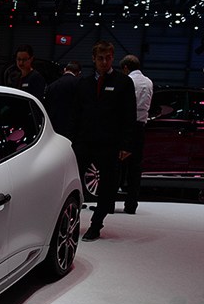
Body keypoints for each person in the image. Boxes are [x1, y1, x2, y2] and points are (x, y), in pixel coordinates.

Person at [71, 40, 136, 241]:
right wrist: (72, 141)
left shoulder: (124, 83)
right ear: (93, 59)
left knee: (108, 186)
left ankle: (96, 224)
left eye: (108, 58)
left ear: (112, 58)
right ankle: (71, 220)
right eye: (100, 58)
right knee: (73, 182)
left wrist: (127, 144)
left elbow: (129, 115)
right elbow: (76, 114)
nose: (104, 62)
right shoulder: (83, 83)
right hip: (84, 142)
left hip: (110, 143)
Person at [119, 54, 154, 214]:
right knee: (136, 167)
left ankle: (109, 203)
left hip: (126, 126)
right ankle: (131, 205)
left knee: (118, 164)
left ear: (126, 68)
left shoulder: (127, 81)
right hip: (140, 127)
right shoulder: (149, 82)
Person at [43, 61, 81, 138]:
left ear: (65, 70)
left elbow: (46, 107)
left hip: (54, 127)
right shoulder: (79, 84)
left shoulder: (51, 86)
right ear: (78, 73)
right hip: (72, 128)